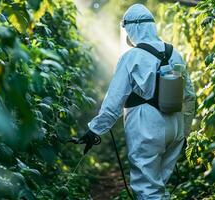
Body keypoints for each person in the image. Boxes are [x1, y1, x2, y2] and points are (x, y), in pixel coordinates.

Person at [77, 4, 196, 199]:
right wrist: (184, 132)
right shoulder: (174, 53)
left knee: (147, 190)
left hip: (148, 128)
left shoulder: (131, 57)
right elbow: (189, 95)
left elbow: (114, 101)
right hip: (175, 127)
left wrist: (94, 130)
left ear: (133, 28)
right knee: (159, 187)